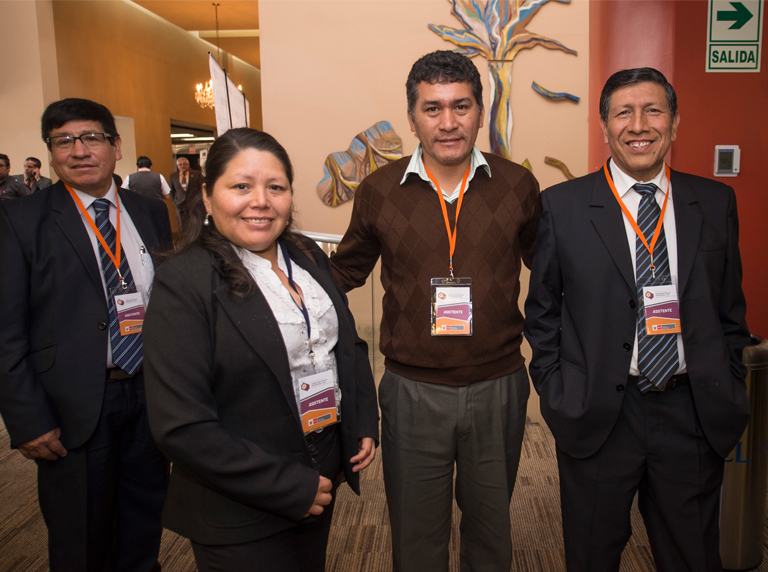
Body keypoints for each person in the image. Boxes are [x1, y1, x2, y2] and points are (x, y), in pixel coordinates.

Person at [524, 67, 750, 571]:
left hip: (691, 411)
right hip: (599, 413)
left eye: (653, 110)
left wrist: (729, 381)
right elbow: (542, 311)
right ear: (605, 126)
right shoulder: (563, 206)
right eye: (623, 113)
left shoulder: (714, 203)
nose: (639, 125)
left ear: (675, 122)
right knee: (592, 556)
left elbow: (730, 312)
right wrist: (559, 393)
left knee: (693, 556)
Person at [330, 50, 541, 572]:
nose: (448, 123)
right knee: (416, 535)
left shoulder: (517, 185)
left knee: (491, 532)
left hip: (498, 387)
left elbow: (553, 274)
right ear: (412, 118)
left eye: (461, 106)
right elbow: (343, 273)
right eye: (433, 108)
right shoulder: (379, 191)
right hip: (411, 392)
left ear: (480, 112)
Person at [143, 127, 379, 572]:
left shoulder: (306, 255)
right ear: (207, 198)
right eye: (241, 186)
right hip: (240, 506)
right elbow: (180, 426)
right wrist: (288, 486)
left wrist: (362, 418)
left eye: (276, 187)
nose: (261, 201)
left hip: (319, 475)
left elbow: (345, 341)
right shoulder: (185, 282)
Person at [0, 98, 172, 572]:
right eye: (63, 141)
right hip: (71, 406)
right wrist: (27, 420)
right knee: (81, 538)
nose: (78, 150)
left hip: (149, 396)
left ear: (116, 147)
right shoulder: (21, 220)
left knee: (143, 526)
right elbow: (6, 330)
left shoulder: (149, 212)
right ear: (51, 152)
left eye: (91, 137)